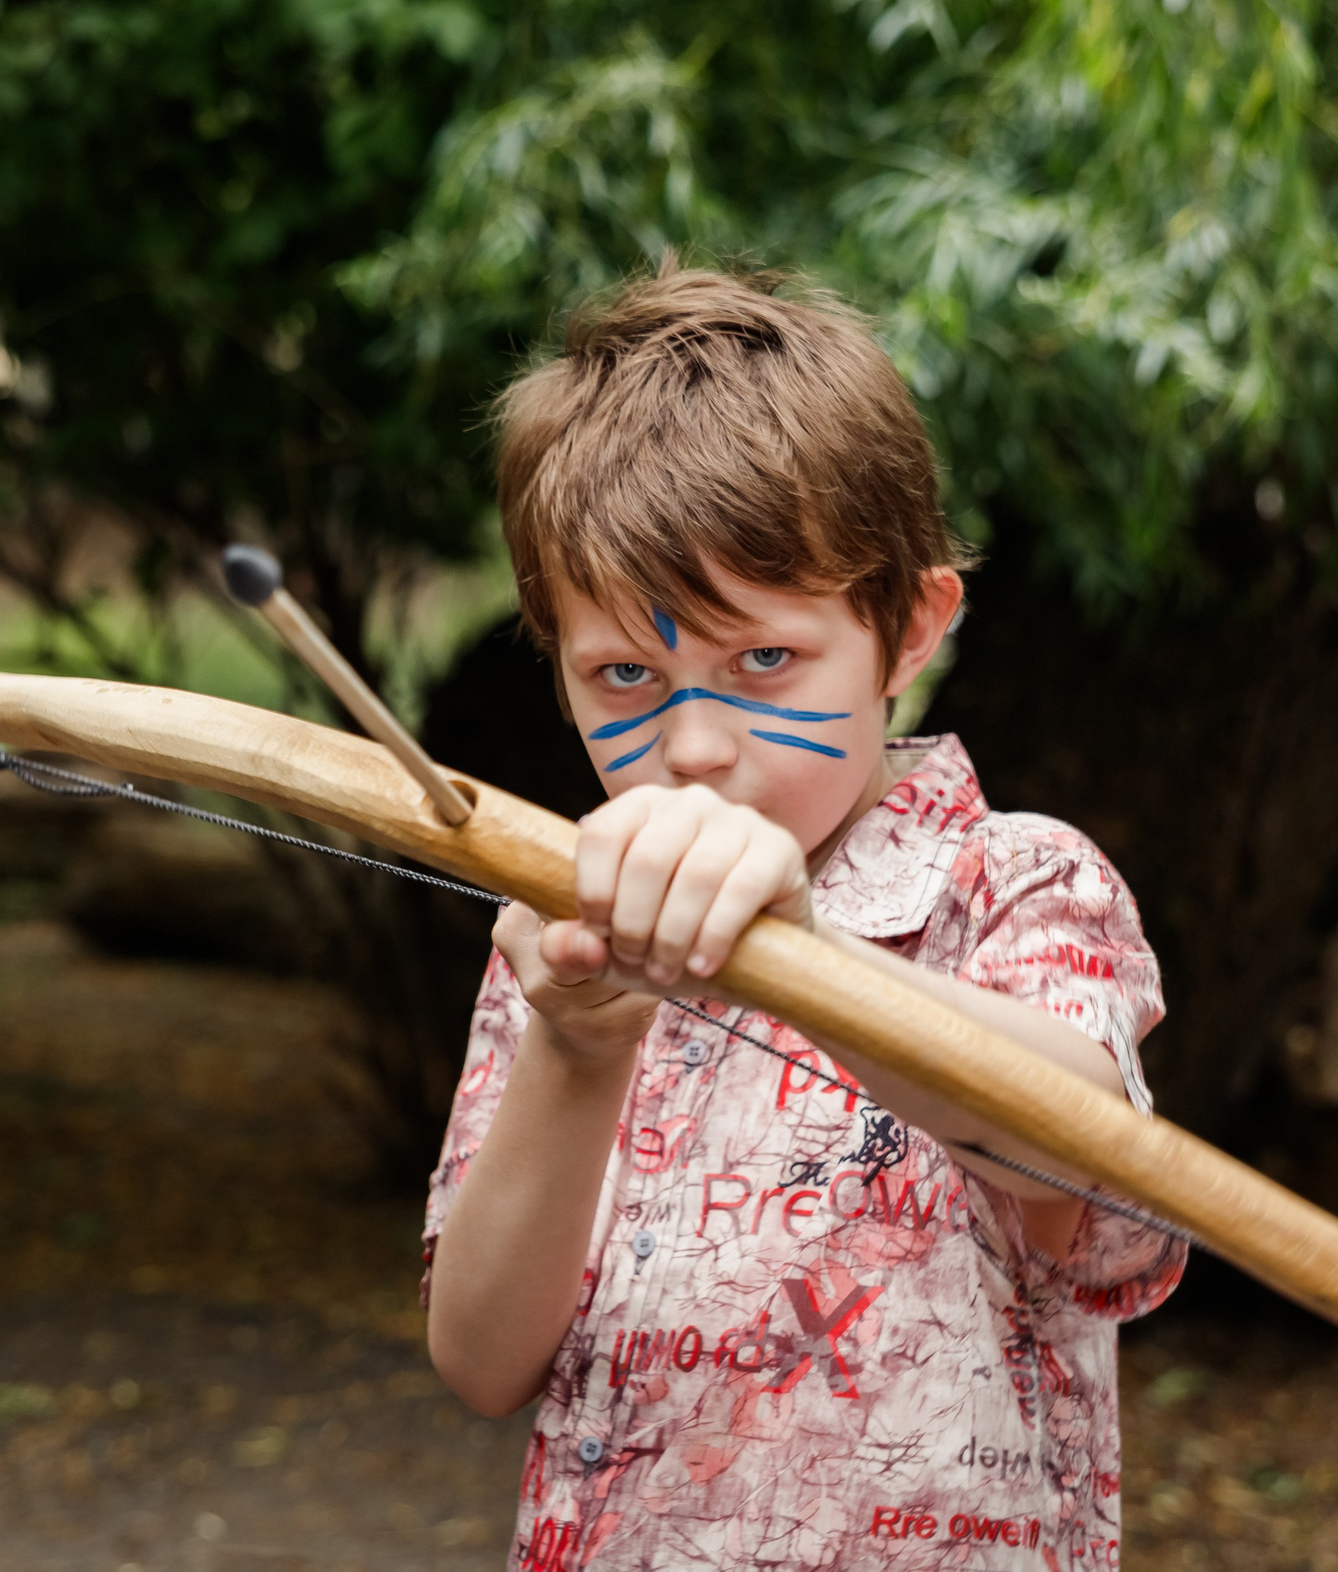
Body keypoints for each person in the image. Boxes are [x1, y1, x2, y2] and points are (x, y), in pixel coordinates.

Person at [423, 263, 1185, 1570]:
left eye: (764, 659)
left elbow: (1093, 1169)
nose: (697, 746)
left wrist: (812, 956)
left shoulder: (1014, 886)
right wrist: (576, 1049)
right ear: (555, 665)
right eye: (624, 675)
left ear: (910, 630)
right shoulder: (562, 946)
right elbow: (484, 1361)